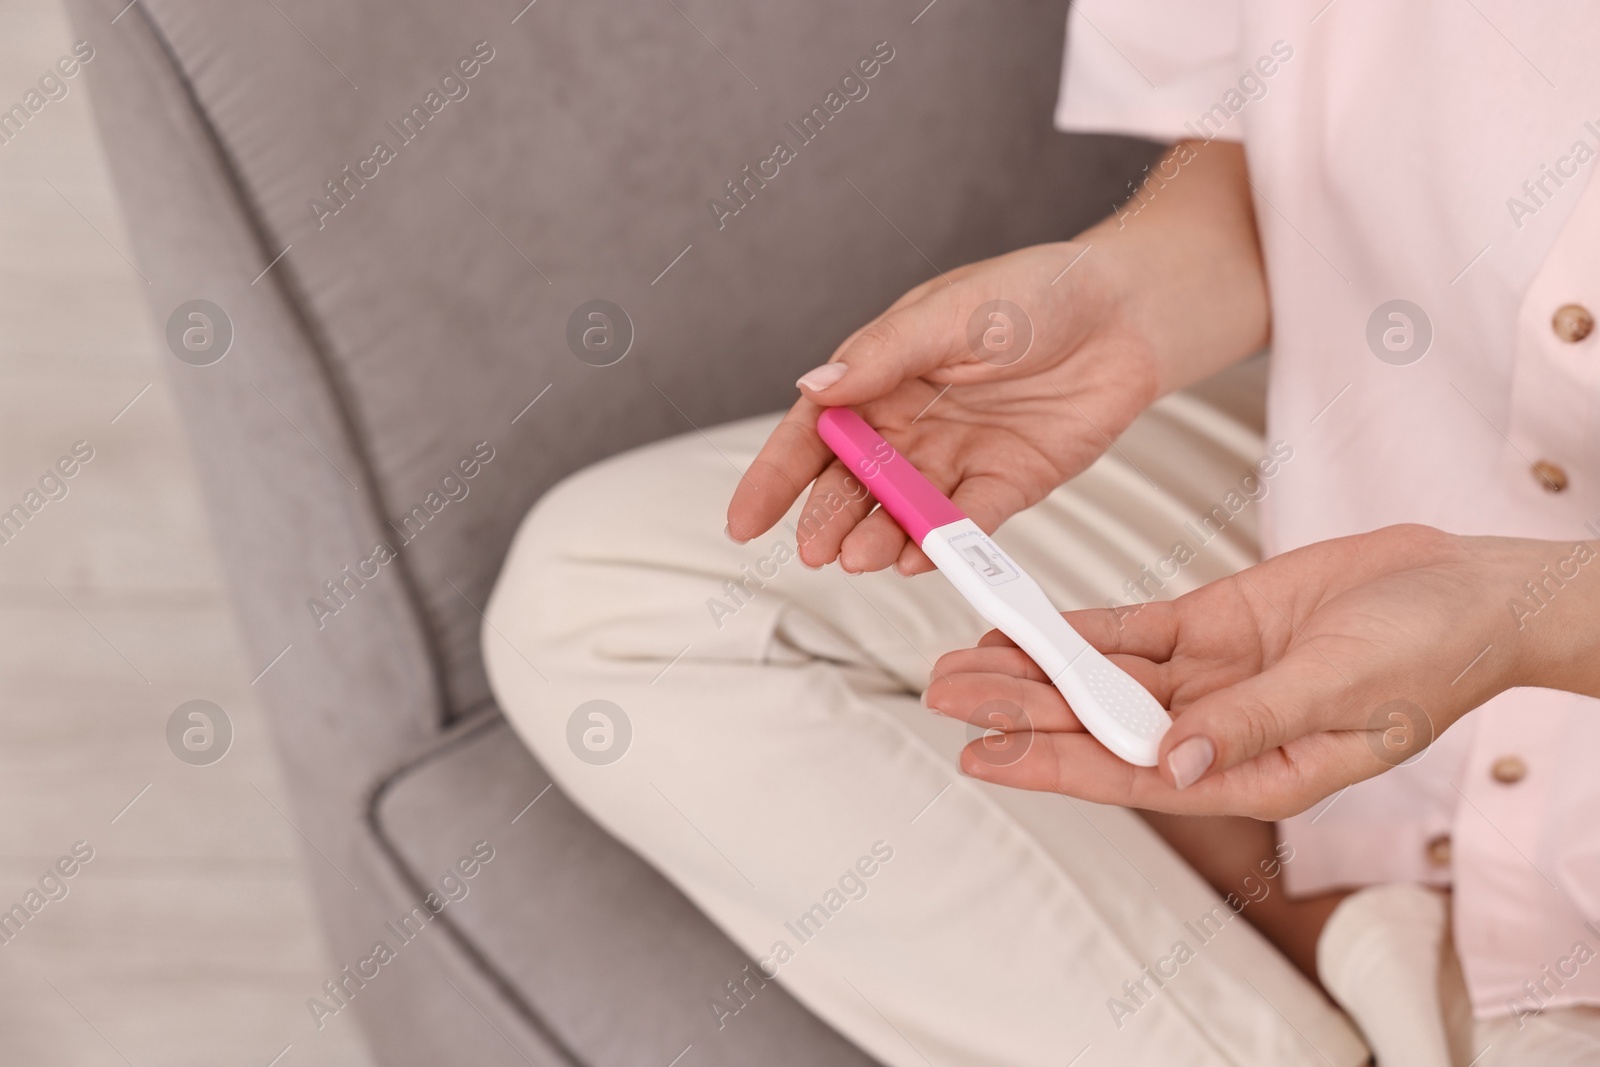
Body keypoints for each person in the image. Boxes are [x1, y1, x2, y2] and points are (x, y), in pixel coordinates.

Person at [485, 3, 1600, 1064]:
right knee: (614, 595)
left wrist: (1527, 615)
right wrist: (1122, 299)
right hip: (1396, 451)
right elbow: (1272, 136)